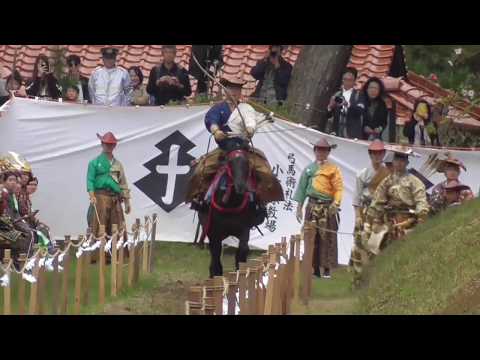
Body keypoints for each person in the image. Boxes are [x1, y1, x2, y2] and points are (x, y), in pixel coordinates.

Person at [185, 75, 281, 207]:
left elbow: (250, 122)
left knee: (266, 172)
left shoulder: (246, 108)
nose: (235, 92)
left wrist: (250, 129)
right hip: (224, 149)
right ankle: (198, 199)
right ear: (226, 90)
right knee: (200, 171)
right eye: (231, 88)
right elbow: (211, 120)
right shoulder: (219, 108)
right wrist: (216, 131)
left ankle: (262, 202)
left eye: (238, 89)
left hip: (244, 148)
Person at [364, 146, 430, 257]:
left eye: (402, 160)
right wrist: (372, 219)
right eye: (397, 160)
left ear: (407, 162)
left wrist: (420, 219)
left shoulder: (415, 181)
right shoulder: (387, 181)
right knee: (376, 249)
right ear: (393, 162)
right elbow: (378, 201)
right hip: (388, 220)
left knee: (408, 252)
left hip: (408, 220)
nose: (399, 163)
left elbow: (421, 201)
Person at [294, 138, 344, 279]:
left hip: (327, 207)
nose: (321, 152)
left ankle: (327, 268)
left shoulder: (333, 169)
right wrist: (299, 207)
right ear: (315, 151)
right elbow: (302, 189)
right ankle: (314, 268)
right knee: (311, 237)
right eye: (318, 149)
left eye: (324, 150)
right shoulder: (309, 169)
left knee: (328, 237)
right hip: (312, 206)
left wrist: (336, 203)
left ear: (328, 152)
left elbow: (338, 188)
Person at [349, 140, 390, 278]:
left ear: (383, 154)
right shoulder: (362, 174)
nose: (377, 156)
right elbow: (357, 197)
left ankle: (379, 275)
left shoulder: (389, 173)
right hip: (366, 212)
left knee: (381, 243)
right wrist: (357, 216)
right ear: (370, 154)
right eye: (374, 153)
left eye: (380, 153)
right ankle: (359, 276)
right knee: (361, 243)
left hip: (382, 213)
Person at [87, 132, 131, 238]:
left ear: (114, 146)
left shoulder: (118, 164)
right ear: (102, 144)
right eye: (106, 143)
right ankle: (98, 252)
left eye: (111, 144)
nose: (109, 146)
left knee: (117, 225)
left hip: (115, 198)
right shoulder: (94, 163)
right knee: (99, 225)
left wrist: (127, 202)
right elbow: (90, 180)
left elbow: (123, 183)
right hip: (100, 198)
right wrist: (92, 195)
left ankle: (116, 252)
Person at [327, 67, 364, 139]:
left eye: (350, 80)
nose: (347, 82)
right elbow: (328, 116)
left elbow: (360, 111)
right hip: (336, 133)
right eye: (345, 79)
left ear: (354, 81)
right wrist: (330, 107)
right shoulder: (336, 94)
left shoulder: (359, 95)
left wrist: (347, 105)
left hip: (352, 134)